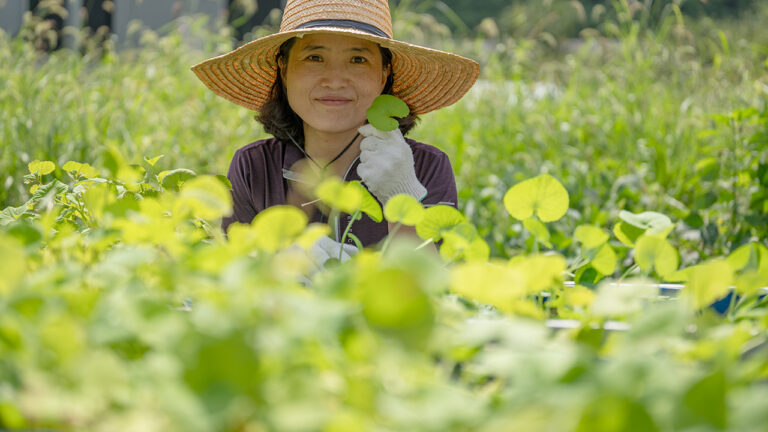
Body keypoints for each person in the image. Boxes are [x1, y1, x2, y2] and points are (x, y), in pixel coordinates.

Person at [191, 0, 479, 257]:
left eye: (358, 59)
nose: (335, 80)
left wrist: (401, 194)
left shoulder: (427, 168)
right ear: (284, 69)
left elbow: (426, 291)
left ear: (384, 74)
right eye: (314, 57)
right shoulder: (254, 168)